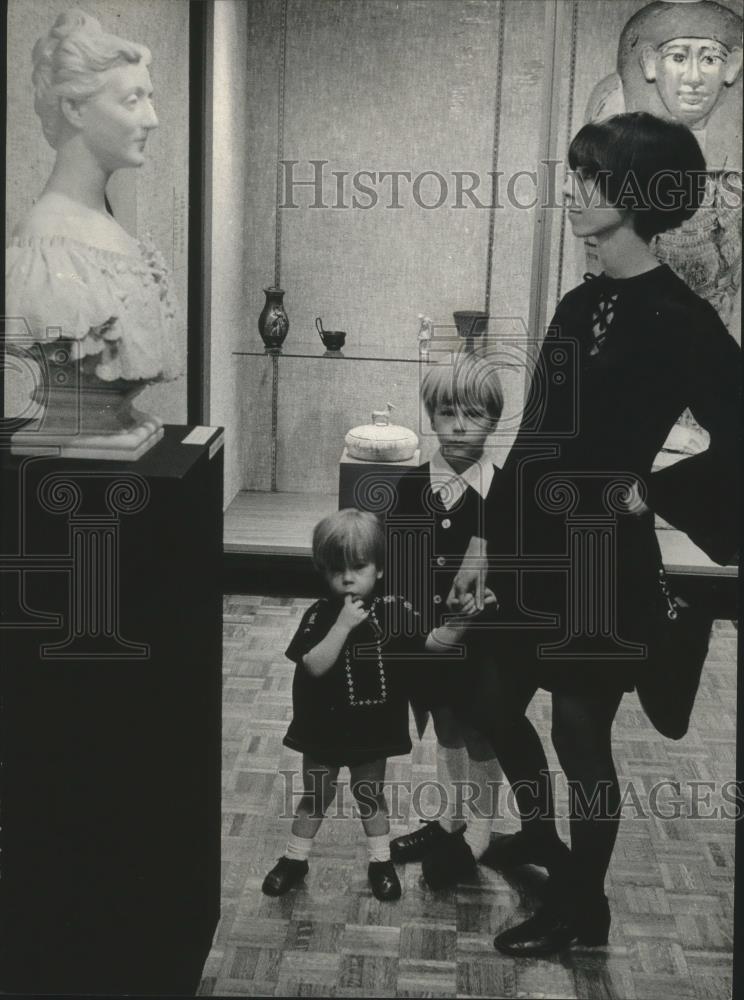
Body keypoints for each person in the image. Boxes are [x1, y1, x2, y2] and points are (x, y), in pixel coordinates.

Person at [451, 112, 740, 956]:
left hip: (601, 563)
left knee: (581, 735)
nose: (574, 194)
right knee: (493, 702)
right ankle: (541, 836)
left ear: (637, 196)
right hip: (532, 546)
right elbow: (537, 433)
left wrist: (650, 489)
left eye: (591, 181)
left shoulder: (681, 318)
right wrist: (483, 539)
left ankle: (586, 905)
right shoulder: (582, 301)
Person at [262, 509, 496, 902]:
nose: (348, 577)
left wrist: (462, 620)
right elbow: (313, 664)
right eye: (337, 569)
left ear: (380, 570)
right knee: (315, 795)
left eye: (359, 566)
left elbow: (433, 644)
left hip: (372, 728)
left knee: (371, 795)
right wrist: (342, 626)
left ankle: (380, 861)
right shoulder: (320, 614)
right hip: (322, 729)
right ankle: (295, 858)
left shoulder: (395, 610)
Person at [6, 8, 179, 443]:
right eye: (132, 100)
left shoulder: (111, 235)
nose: (152, 119)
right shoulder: (45, 248)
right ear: (74, 108)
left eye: (149, 98)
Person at [386, 354, 506, 888]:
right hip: (429, 638)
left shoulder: (506, 494)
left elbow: (518, 573)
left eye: (475, 414)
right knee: (445, 722)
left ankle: (479, 825)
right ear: (431, 416)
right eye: (448, 412)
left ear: (494, 420)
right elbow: (399, 570)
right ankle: (446, 817)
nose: (460, 426)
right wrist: (420, 633)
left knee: (482, 727)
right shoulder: (409, 491)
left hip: (486, 642)